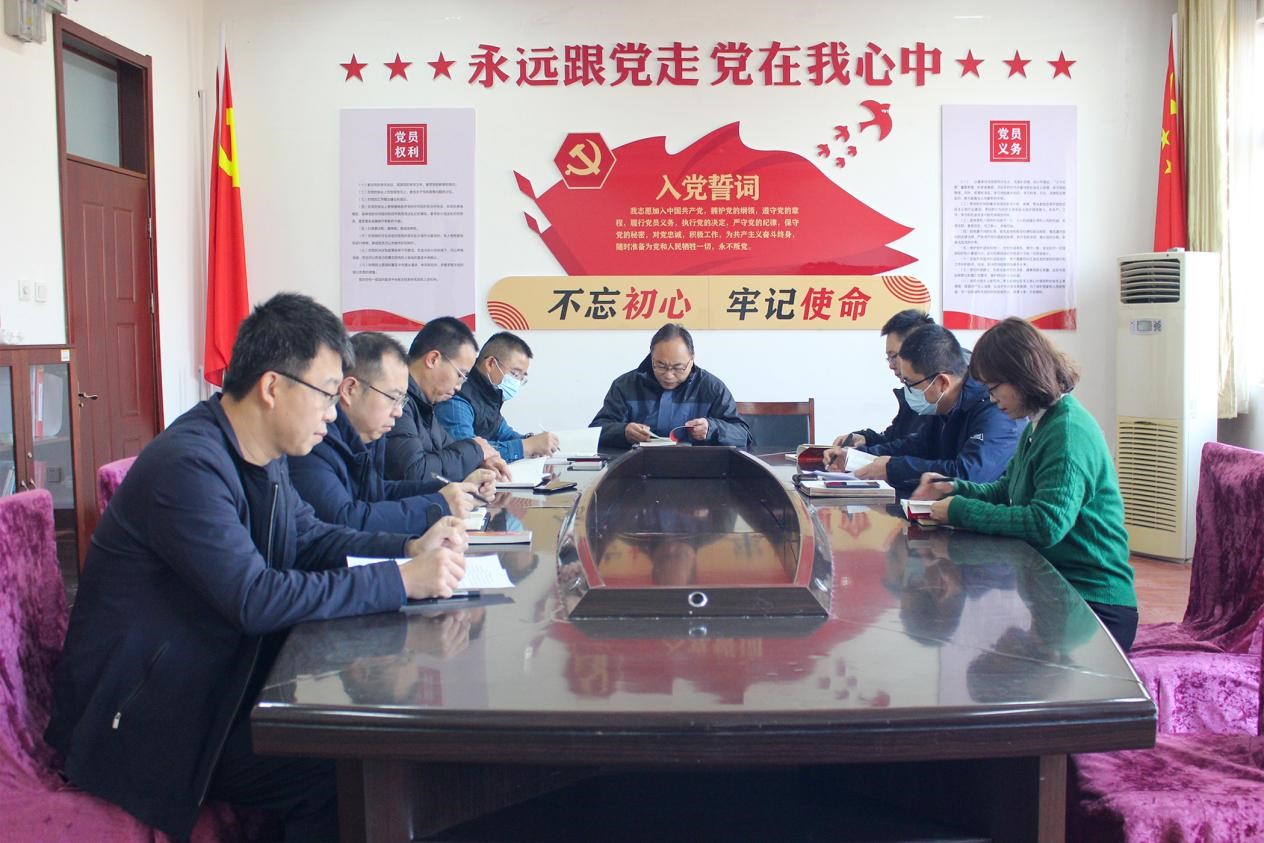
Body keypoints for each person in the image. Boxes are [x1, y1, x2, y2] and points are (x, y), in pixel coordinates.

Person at [44, 294, 469, 842]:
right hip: (148, 722)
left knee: (364, 743)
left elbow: (310, 537)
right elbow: (254, 598)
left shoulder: (263, 455)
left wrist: (407, 547)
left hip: (222, 680)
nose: (333, 411)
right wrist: (398, 580)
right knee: (346, 770)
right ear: (272, 387)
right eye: (326, 393)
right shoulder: (189, 467)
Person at [911, 316, 1138, 650]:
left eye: (994, 388)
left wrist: (958, 510)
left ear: (1022, 376)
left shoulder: (1067, 433)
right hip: (1059, 591)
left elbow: (1046, 524)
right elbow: (1008, 489)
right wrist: (955, 488)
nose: (991, 399)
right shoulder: (1040, 423)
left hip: (1094, 604)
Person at [289, 331, 493, 532]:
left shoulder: (368, 435)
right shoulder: (313, 441)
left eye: (401, 401)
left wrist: (454, 489)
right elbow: (345, 519)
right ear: (350, 389)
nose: (398, 412)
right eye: (393, 398)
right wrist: (438, 505)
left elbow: (378, 493)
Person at [826, 324, 1022, 498]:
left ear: (942, 382)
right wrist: (856, 457)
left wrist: (893, 468)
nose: (908, 391)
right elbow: (918, 445)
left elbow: (967, 474)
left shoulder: (996, 409)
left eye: (911, 383)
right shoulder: (943, 404)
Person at [385, 316, 511, 483]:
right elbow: (413, 472)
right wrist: (476, 450)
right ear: (433, 360)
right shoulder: (397, 403)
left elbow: (449, 450)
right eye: (460, 375)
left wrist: (480, 465)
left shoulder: (425, 405)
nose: (459, 387)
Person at [590, 323, 751, 450]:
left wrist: (712, 429)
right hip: (636, 469)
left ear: (692, 359)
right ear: (651, 356)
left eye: (678, 368)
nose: (668, 375)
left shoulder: (712, 388)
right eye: (660, 366)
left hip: (698, 470)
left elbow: (744, 435)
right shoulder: (625, 386)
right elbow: (595, 431)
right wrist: (623, 432)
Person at [434, 331, 559, 461]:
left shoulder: (489, 394)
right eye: (515, 374)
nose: (517, 382)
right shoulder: (456, 398)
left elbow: (504, 433)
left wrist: (533, 441)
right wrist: (526, 446)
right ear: (491, 364)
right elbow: (466, 451)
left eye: (522, 377)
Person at [832, 309, 936, 450]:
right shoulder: (914, 394)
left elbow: (919, 451)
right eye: (888, 358)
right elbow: (896, 440)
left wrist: (876, 456)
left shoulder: (947, 399)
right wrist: (866, 439)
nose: (891, 366)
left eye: (894, 356)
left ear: (920, 350)